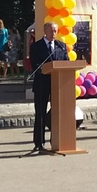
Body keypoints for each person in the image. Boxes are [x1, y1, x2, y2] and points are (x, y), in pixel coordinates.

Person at [29, 22, 67, 152]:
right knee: (40, 113)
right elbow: (36, 65)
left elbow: (66, 63)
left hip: (58, 84)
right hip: (42, 84)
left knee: (57, 113)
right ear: (45, 31)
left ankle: (56, 141)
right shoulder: (36, 47)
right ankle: (39, 142)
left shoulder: (61, 46)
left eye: (55, 31)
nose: (53, 34)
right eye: (51, 31)